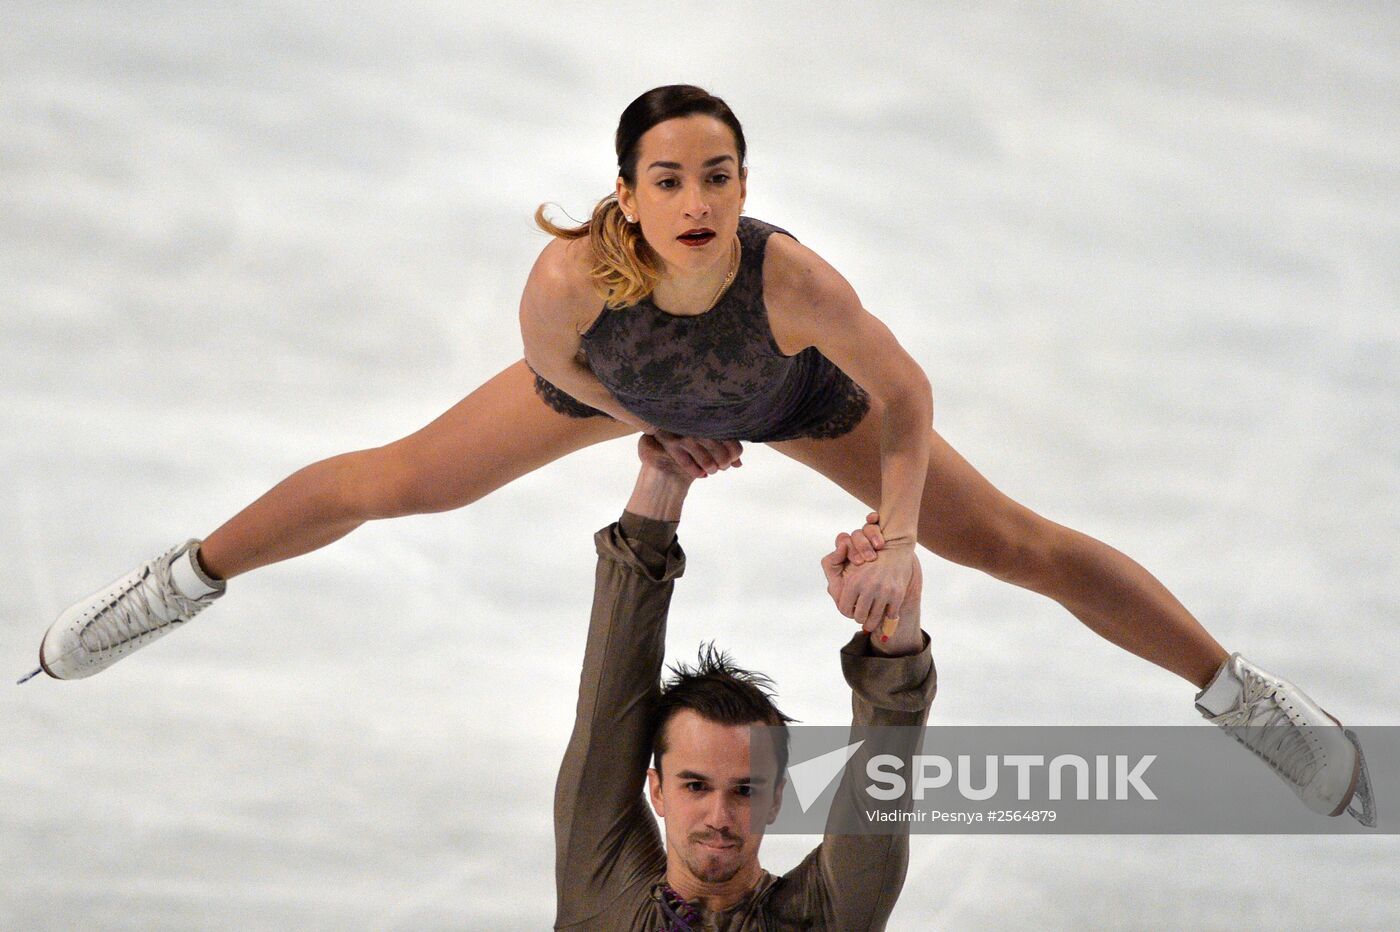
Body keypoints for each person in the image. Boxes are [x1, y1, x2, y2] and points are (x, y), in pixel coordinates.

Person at [23, 85, 1372, 826]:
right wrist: (637, 416)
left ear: (742, 180)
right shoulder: (570, 284)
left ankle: (1240, 695)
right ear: (629, 191)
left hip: (802, 401)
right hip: (627, 392)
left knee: (1015, 543)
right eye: (668, 178)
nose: (696, 198)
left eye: (717, 173)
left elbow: (906, 396)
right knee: (392, 482)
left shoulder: (793, 282)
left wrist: (900, 531)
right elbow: (553, 363)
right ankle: (180, 581)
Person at [554, 435, 934, 930]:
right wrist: (663, 478)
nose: (718, 816)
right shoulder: (602, 892)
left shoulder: (824, 918)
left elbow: (885, 770)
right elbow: (610, 701)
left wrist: (894, 613)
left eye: (745, 790)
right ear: (658, 790)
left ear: (776, 798)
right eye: (694, 785)